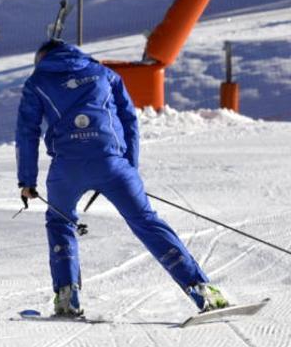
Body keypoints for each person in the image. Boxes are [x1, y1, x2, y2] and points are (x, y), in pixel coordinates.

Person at [15, 39, 228, 317]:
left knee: (60, 222)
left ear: (42, 59)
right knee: (147, 222)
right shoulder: (104, 73)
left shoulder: (37, 81)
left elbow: (26, 133)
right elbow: (129, 121)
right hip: (112, 164)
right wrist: (129, 167)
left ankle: (67, 297)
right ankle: (201, 290)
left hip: (66, 169)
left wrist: (26, 181)